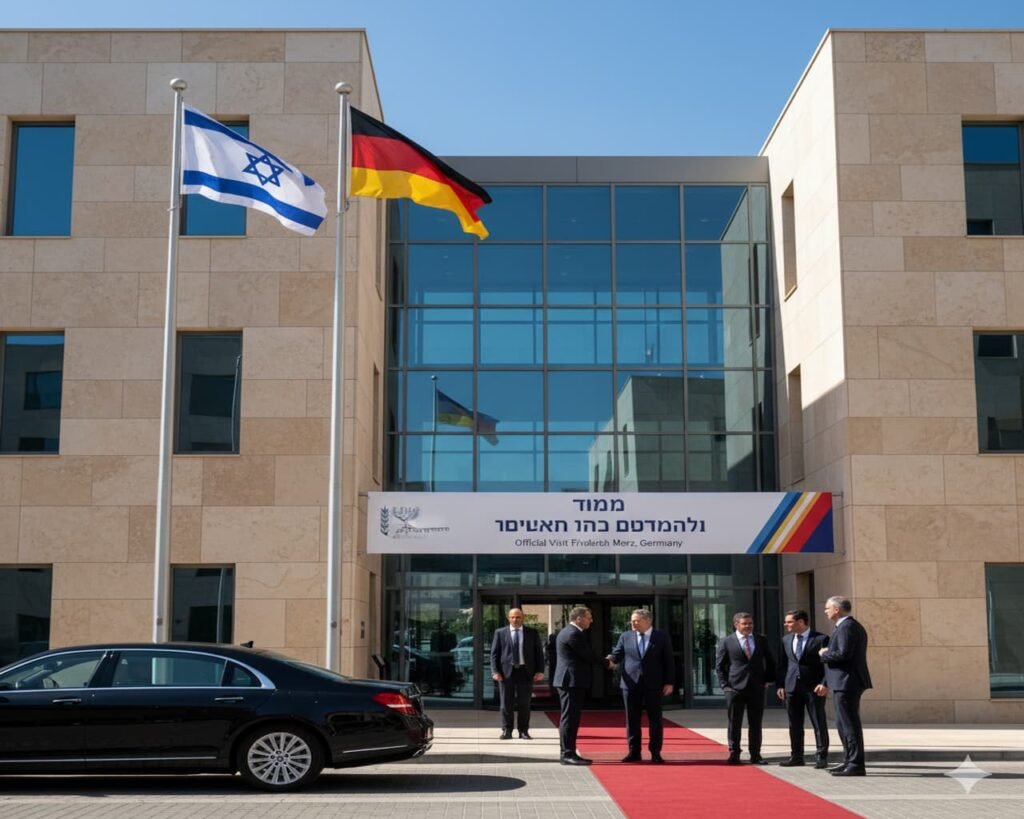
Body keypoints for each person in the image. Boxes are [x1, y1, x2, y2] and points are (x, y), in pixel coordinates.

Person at [607, 609, 674, 764]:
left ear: (648, 621)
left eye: (636, 620)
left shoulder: (661, 636)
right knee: (632, 719)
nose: (633, 623)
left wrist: (669, 682)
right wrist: (608, 660)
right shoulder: (626, 636)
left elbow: (669, 661)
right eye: (632, 620)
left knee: (655, 719)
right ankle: (634, 752)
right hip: (630, 684)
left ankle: (655, 752)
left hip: (654, 684)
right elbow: (617, 654)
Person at [819, 595, 872, 777]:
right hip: (843, 682)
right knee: (843, 724)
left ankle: (855, 764)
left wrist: (824, 654)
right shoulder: (845, 626)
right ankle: (849, 760)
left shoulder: (847, 627)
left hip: (847, 682)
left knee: (849, 724)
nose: (825, 611)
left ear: (837, 609)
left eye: (827, 608)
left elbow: (843, 654)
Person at [715, 611, 777, 765]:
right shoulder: (727, 641)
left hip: (756, 687)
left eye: (750, 623)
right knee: (734, 722)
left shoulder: (761, 639)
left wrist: (768, 680)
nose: (748, 626)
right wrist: (725, 685)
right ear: (736, 625)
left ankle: (755, 754)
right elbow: (720, 666)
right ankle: (734, 753)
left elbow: (770, 661)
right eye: (745, 624)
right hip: (734, 688)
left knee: (755, 723)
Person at [775, 609, 830, 768]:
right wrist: (780, 685)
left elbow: (827, 664)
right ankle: (796, 756)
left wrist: (824, 683)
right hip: (792, 687)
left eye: (789, 622)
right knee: (794, 724)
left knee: (818, 723)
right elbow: (783, 664)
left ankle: (821, 757)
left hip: (814, 688)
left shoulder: (821, 639)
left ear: (800, 622)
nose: (786, 625)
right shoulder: (786, 639)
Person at [553, 606, 600, 765]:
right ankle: (567, 754)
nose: (591, 621)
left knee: (571, 717)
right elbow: (588, 655)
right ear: (579, 618)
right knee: (570, 718)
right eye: (589, 617)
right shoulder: (573, 633)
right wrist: (607, 662)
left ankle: (569, 752)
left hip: (571, 681)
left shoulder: (569, 632)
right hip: (570, 681)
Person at [490, 608, 545, 740]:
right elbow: (494, 654)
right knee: (506, 703)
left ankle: (523, 731)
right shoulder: (500, 633)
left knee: (524, 703)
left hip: (525, 672)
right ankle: (507, 730)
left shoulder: (532, 633)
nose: (515, 619)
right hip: (505, 673)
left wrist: (540, 670)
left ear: (522, 618)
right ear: (508, 618)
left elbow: (538, 653)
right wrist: (495, 671)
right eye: (512, 617)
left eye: (518, 617)